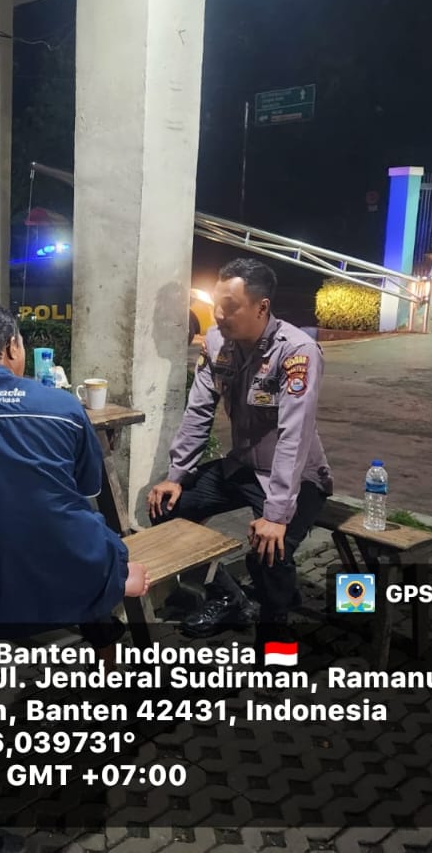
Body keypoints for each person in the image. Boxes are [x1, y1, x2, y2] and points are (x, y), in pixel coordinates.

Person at [0, 301, 149, 642]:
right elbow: (86, 490)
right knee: (91, 537)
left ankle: (103, 589)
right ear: (12, 346)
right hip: (83, 562)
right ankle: (108, 586)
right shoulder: (63, 405)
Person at [146, 258, 332, 640]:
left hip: (298, 478)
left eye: (230, 307)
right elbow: (199, 410)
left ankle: (276, 639)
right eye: (217, 303)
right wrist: (176, 475)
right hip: (243, 466)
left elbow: (294, 436)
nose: (218, 314)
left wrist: (276, 516)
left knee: (269, 550)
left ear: (261, 307)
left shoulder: (297, 352)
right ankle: (229, 597)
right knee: (166, 508)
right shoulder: (217, 343)